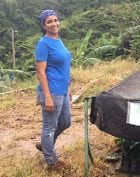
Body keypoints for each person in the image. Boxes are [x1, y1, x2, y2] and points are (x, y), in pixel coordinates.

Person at [35, 9, 72, 169]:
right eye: (49, 21)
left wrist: (68, 87)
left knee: (66, 122)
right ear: (44, 25)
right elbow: (40, 71)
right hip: (51, 92)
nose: (54, 23)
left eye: (55, 20)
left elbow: (63, 66)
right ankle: (51, 161)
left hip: (62, 90)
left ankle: (45, 145)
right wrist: (47, 96)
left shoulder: (58, 40)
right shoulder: (43, 43)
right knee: (49, 127)